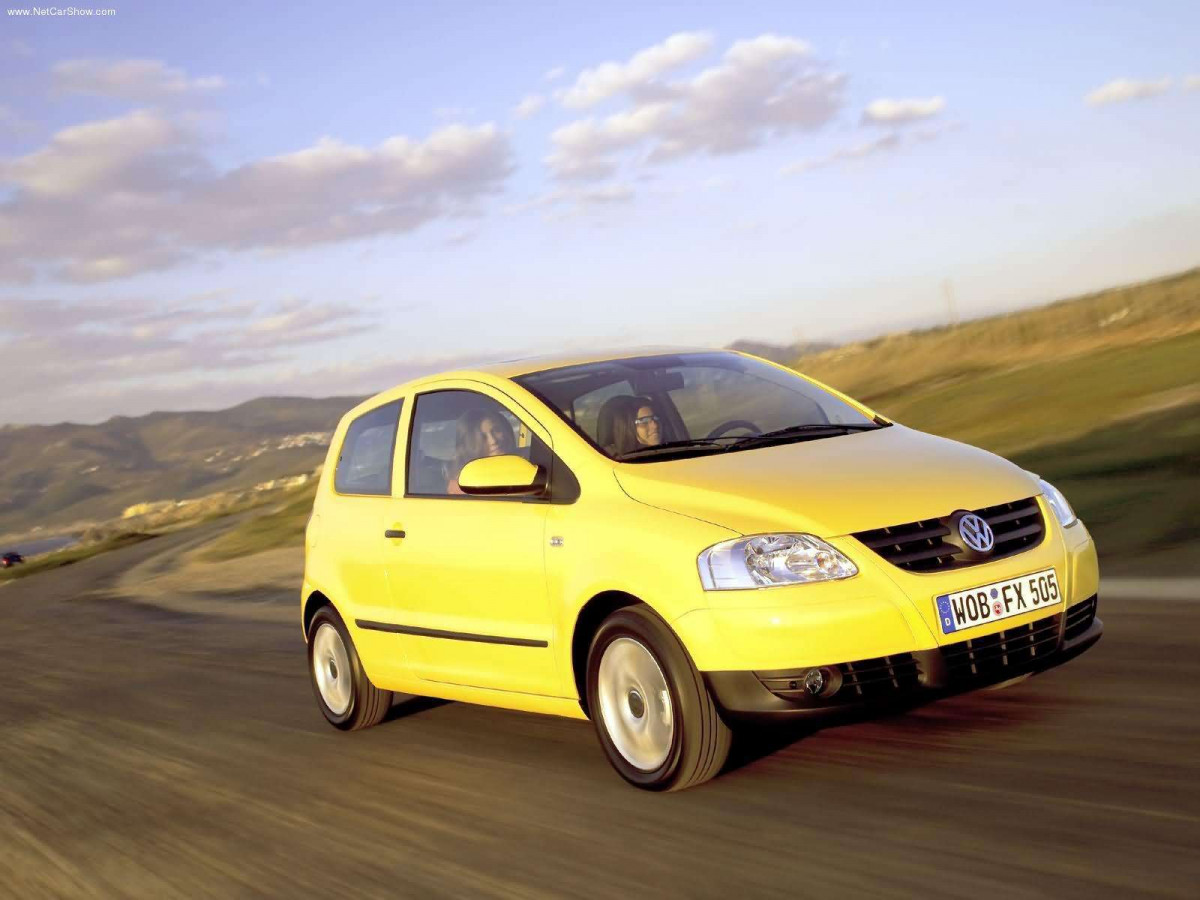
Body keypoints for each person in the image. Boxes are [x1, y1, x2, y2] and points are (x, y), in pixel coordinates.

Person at [446, 408, 517, 494]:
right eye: (483, 437)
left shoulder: (523, 461)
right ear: (471, 445)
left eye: (496, 430)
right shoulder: (463, 485)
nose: (493, 441)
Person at [597, 395, 662, 456]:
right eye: (644, 421)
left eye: (655, 418)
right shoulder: (621, 461)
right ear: (628, 428)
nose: (655, 425)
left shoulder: (667, 449)